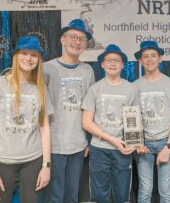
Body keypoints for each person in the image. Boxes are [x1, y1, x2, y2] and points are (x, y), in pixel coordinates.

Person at [0, 35, 52, 203]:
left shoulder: (40, 88)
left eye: (34, 55)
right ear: (16, 56)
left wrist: (46, 166)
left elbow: (45, 129)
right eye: (24, 53)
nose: (28, 58)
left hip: (33, 160)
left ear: (38, 59)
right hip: (1, 161)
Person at [42, 18, 95, 203]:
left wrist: (89, 140)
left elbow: (90, 108)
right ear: (62, 39)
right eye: (73, 36)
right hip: (54, 144)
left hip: (78, 145)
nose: (77, 42)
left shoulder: (87, 70)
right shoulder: (46, 68)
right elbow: (39, 110)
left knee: (72, 194)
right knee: (54, 196)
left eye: (82, 39)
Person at [82, 44, 137, 203]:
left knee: (122, 194)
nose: (112, 63)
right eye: (109, 60)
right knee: (99, 195)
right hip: (100, 148)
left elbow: (133, 120)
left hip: (124, 149)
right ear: (102, 64)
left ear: (122, 65)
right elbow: (86, 122)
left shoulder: (131, 89)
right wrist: (112, 140)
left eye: (117, 60)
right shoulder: (94, 89)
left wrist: (133, 143)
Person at [133, 40, 170, 203]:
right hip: (144, 145)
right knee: (144, 191)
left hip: (165, 143)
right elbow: (132, 117)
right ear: (140, 61)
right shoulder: (134, 87)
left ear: (160, 58)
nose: (149, 59)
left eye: (153, 55)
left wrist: (169, 146)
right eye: (145, 56)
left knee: (166, 191)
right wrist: (137, 142)